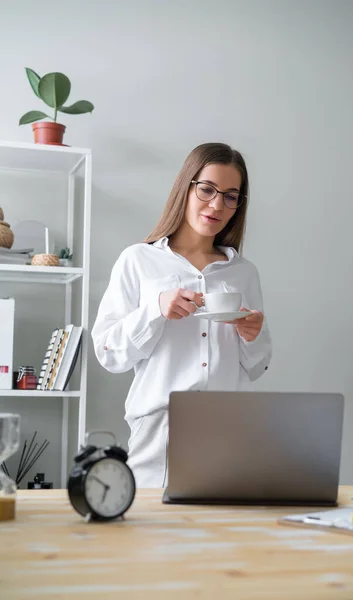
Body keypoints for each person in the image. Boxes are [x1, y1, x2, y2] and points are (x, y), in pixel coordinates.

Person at [91, 142, 272, 487]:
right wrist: (155, 310)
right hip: (158, 430)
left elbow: (257, 365)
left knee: (224, 537)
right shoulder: (138, 260)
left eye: (231, 196)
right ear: (185, 187)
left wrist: (253, 335)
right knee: (154, 535)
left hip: (228, 430)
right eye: (207, 190)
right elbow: (107, 353)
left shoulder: (243, 272)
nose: (217, 205)